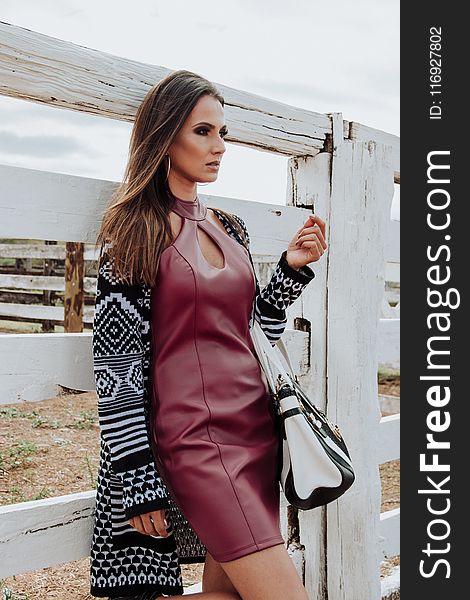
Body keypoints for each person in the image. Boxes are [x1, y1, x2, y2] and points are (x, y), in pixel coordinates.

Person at [89, 69, 327, 600]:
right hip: (197, 443)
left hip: (257, 436)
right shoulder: (135, 231)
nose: (220, 146)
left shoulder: (229, 226)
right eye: (203, 132)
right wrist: (134, 473)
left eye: (224, 133)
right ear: (164, 135)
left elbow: (252, 334)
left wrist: (289, 271)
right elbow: (116, 367)